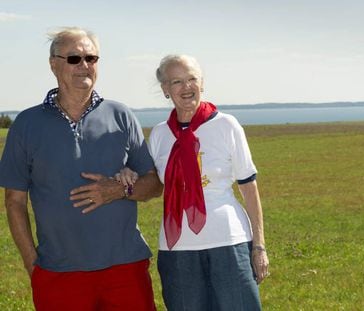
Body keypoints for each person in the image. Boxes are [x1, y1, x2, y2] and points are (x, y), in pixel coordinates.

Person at [0, 27, 162, 311]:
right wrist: (32, 265)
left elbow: (155, 183)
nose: (84, 65)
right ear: (54, 64)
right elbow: (14, 202)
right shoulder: (26, 124)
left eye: (92, 58)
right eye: (74, 58)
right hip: (58, 273)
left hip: (125, 269)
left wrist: (121, 189)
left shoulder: (121, 115)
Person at [119, 54, 270, 310]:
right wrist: (126, 172)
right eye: (177, 81)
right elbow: (148, 178)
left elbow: (248, 187)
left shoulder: (226, 125)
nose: (186, 87)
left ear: (202, 83)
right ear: (166, 90)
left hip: (228, 242)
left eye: (192, 79)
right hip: (177, 249)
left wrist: (259, 246)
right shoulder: (159, 134)